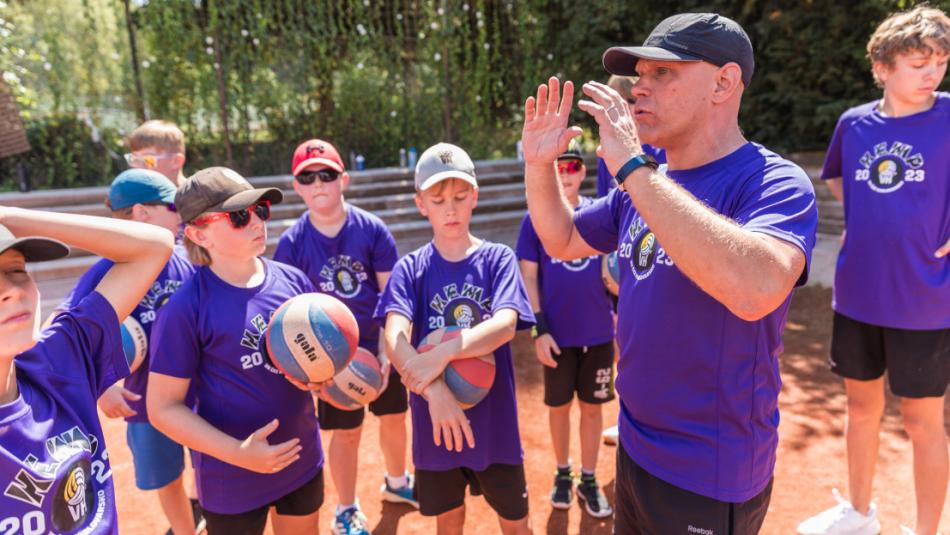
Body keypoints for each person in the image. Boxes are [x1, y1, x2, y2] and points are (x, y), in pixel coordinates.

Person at [521, 13, 818, 534]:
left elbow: (756, 290)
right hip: (636, 450)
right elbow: (561, 239)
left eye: (663, 73)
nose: (639, 89)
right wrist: (538, 164)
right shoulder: (648, 182)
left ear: (724, 82)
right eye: (640, 75)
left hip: (708, 472)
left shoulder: (772, 182)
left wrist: (634, 169)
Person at [797, 6, 950, 535]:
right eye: (917, 63)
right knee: (861, 408)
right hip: (859, 293)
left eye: (940, 61)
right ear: (882, 68)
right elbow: (840, 183)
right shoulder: (854, 125)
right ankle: (859, 514)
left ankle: (927, 530)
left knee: (922, 420)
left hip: (926, 297)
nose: (932, 73)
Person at [147, 167, 325, 534]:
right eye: (239, 216)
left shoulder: (292, 281)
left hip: (300, 455)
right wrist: (237, 453)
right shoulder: (185, 308)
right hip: (232, 476)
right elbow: (162, 407)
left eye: (261, 210)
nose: (257, 221)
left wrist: (326, 376)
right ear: (198, 233)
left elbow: (320, 357)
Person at [375, 143, 535, 535]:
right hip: (436, 426)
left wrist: (442, 354)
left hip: (495, 427)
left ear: (474, 198)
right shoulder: (410, 269)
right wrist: (437, 394)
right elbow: (395, 339)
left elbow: (505, 325)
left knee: (516, 524)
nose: (450, 208)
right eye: (438, 198)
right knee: (448, 521)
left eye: (460, 197)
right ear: (420, 204)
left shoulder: (497, 259)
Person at [0, 207, 174, 533]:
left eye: (17, 270)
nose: (13, 290)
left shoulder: (59, 359)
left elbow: (156, 246)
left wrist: (6, 216)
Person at [274, 139, 415, 535]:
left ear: (344, 179)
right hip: (329, 360)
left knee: (394, 417)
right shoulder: (292, 243)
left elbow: (393, 296)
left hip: (376, 348)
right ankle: (346, 509)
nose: (318, 183)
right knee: (346, 433)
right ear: (297, 186)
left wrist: (391, 352)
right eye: (308, 176)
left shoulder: (371, 229)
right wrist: (311, 368)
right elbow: (284, 313)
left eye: (327, 174)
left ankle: (398, 483)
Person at [54, 169, 200, 535]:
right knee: (167, 477)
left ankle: (206, 514)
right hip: (144, 402)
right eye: (173, 205)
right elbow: (67, 327)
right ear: (142, 213)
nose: (181, 212)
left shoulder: (183, 259)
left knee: (207, 462)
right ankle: (184, 530)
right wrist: (103, 388)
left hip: (196, 394)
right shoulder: (109, 268)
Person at [515, 143, 614, 518]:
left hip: (599, 333)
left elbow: (614, 270)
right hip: (556, 335)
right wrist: (539, 330)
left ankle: (588, 478)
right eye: (558, 166)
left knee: (592, 410)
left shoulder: (598, 212)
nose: (565, 173)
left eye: (572, 165)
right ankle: (562, 472)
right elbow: (528, 275)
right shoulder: (535, 218)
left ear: (582, 172)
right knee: (559, 408)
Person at [595, 75, 666, 198]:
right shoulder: (606, 153)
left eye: (630, 100)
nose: (623, 107)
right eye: (614, 103)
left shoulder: (663, 148)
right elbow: (603, 199)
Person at [125, 120, 188, 187]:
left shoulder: (196, 195)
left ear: (176, 161)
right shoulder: (135, 195)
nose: (138, 167)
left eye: (148, 160)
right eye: (134, 159)